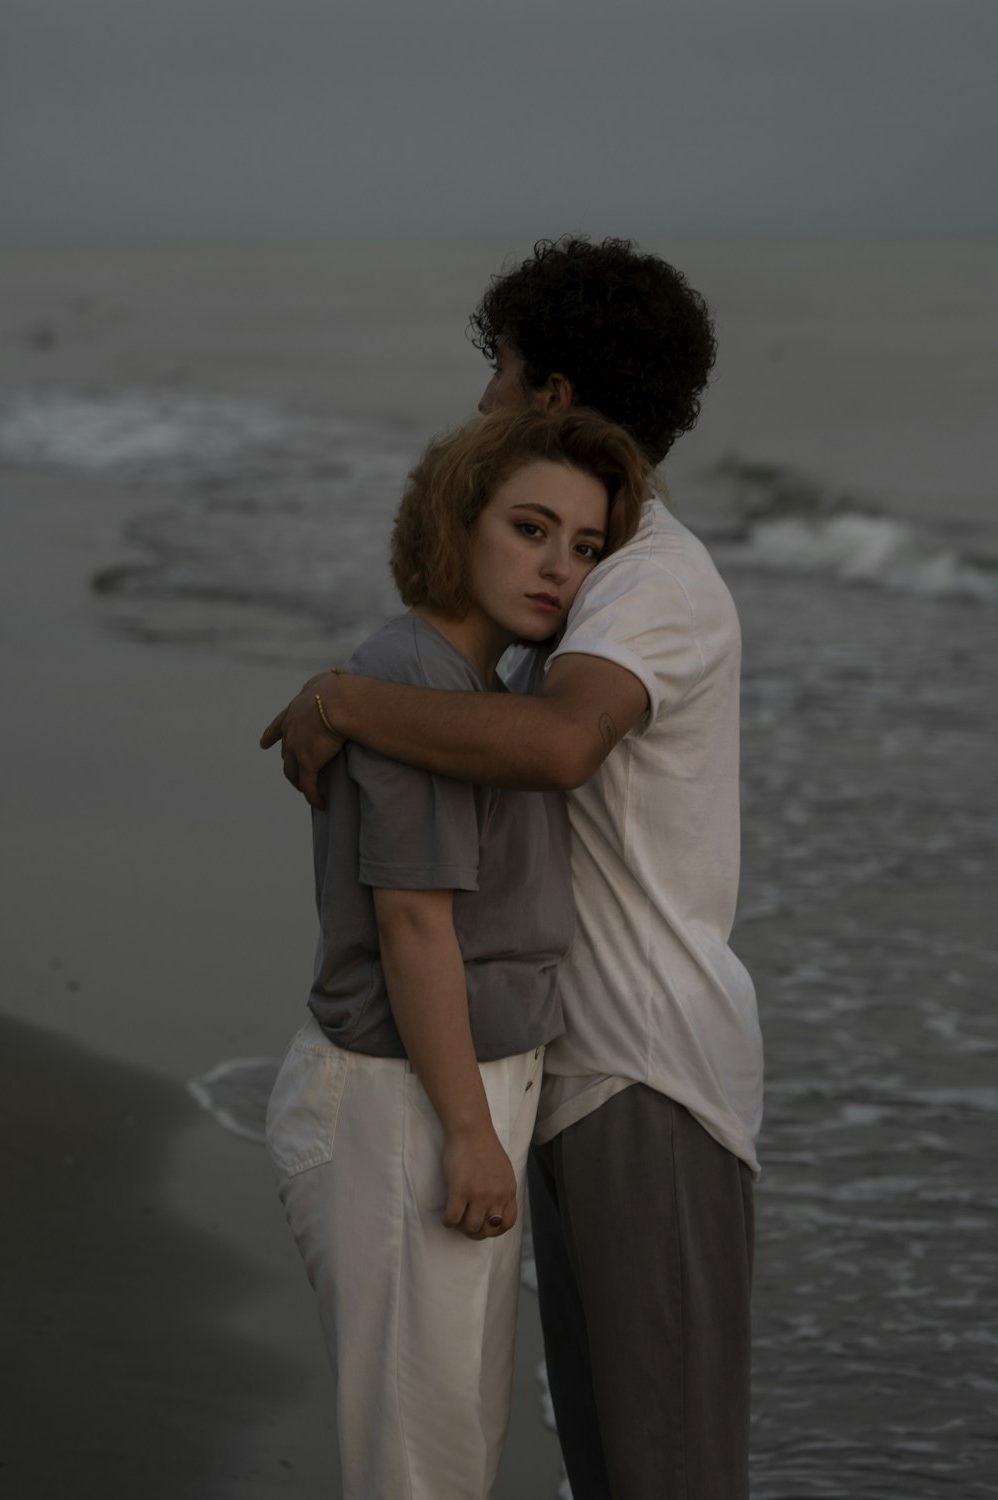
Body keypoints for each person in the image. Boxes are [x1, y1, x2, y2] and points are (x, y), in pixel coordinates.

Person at [262, 236, 764, 1499]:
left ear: (548, 395)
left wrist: (346, 696)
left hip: (642, 1063)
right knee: (595, 1453)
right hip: (538, 1063)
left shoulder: (644, 578)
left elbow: (550, 747)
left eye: (500, 370)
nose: (483, 397)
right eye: (539, 533)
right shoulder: (583, 582)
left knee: (663, 1465)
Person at [263, 404, 649, 1500]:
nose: (557, 570)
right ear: (455, 519)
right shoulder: (418, 681)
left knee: (448, 1451)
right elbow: (413, 924)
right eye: (529, 529)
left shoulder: (475, 685)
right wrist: (471, 1135)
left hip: (438, 1090)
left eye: (583, 548)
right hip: (404, 1102)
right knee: (420, 1472)